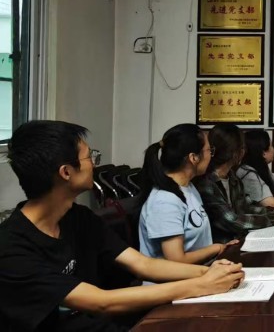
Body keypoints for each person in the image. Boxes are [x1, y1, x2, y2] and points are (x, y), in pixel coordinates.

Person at [0, 120, 244, 331]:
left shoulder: (79, 218)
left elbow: (143, 264)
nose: (95, 164)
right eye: (90, 157)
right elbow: (101, 301)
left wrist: (211, 272)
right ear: (66, 172)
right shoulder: (12, 248)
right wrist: (201, 284)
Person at [139, 124, 237, 265]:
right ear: (193, 158)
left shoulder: (188, 188)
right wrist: (216, 248)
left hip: (200, 271)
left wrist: (222, 247)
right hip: (178, 278)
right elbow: (176, 261)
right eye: (209, 150)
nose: (211, 156)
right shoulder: (165, 200)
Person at [194, 123, 274, 243]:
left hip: (238, 241)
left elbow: (247, 207)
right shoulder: (207, 183)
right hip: (222, 246)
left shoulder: (232, 178)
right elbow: (232, 221)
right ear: (237, 152)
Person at [237, 129, 274, 208]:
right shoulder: (248, 174)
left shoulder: (262, 170)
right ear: (263, 153)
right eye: (271, 146)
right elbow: (272, 204)